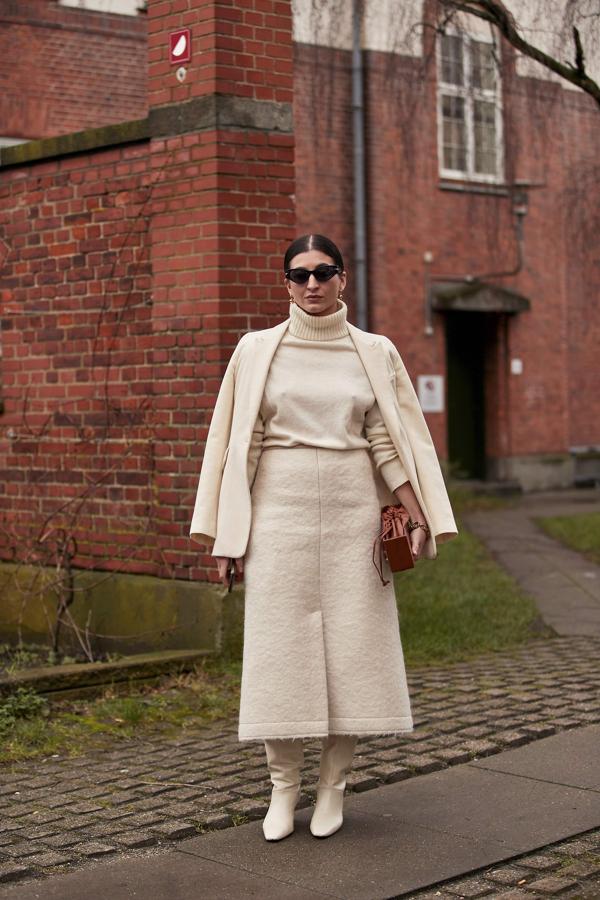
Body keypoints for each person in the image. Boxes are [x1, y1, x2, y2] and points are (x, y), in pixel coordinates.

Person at [190, 234, 458, 842]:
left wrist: (415, 514)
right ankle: (283, 790)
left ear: (343, 279)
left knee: (354, 654)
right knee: (278, 657)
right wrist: (230, 539)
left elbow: (387, 441)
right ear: (285, 283)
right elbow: (240, 446)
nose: (312, 284)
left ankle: (333, 784)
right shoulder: (256, 350)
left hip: (352, 516)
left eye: (324, 272)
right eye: (299, 274)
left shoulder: (374, 350)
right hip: (276, 518)